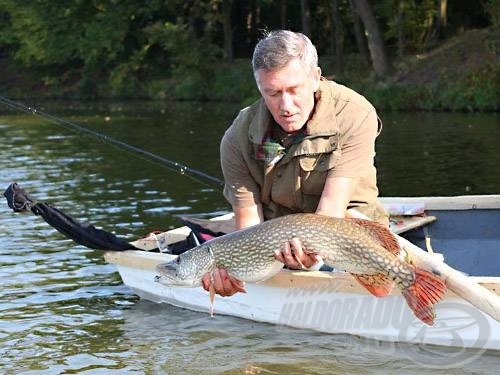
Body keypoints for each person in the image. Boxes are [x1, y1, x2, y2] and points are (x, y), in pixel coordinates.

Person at [201, 30, 388, 297]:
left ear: (315, 78)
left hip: (351, 234)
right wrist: (234, 272)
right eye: (273, 93)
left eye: (293, 90)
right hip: (274, 247)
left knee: (377, 280)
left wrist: (313, 257)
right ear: (259, 88)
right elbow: (249, 230)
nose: (286, 106)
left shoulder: (354, 114)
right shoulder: (236, 139)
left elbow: (331, 211)